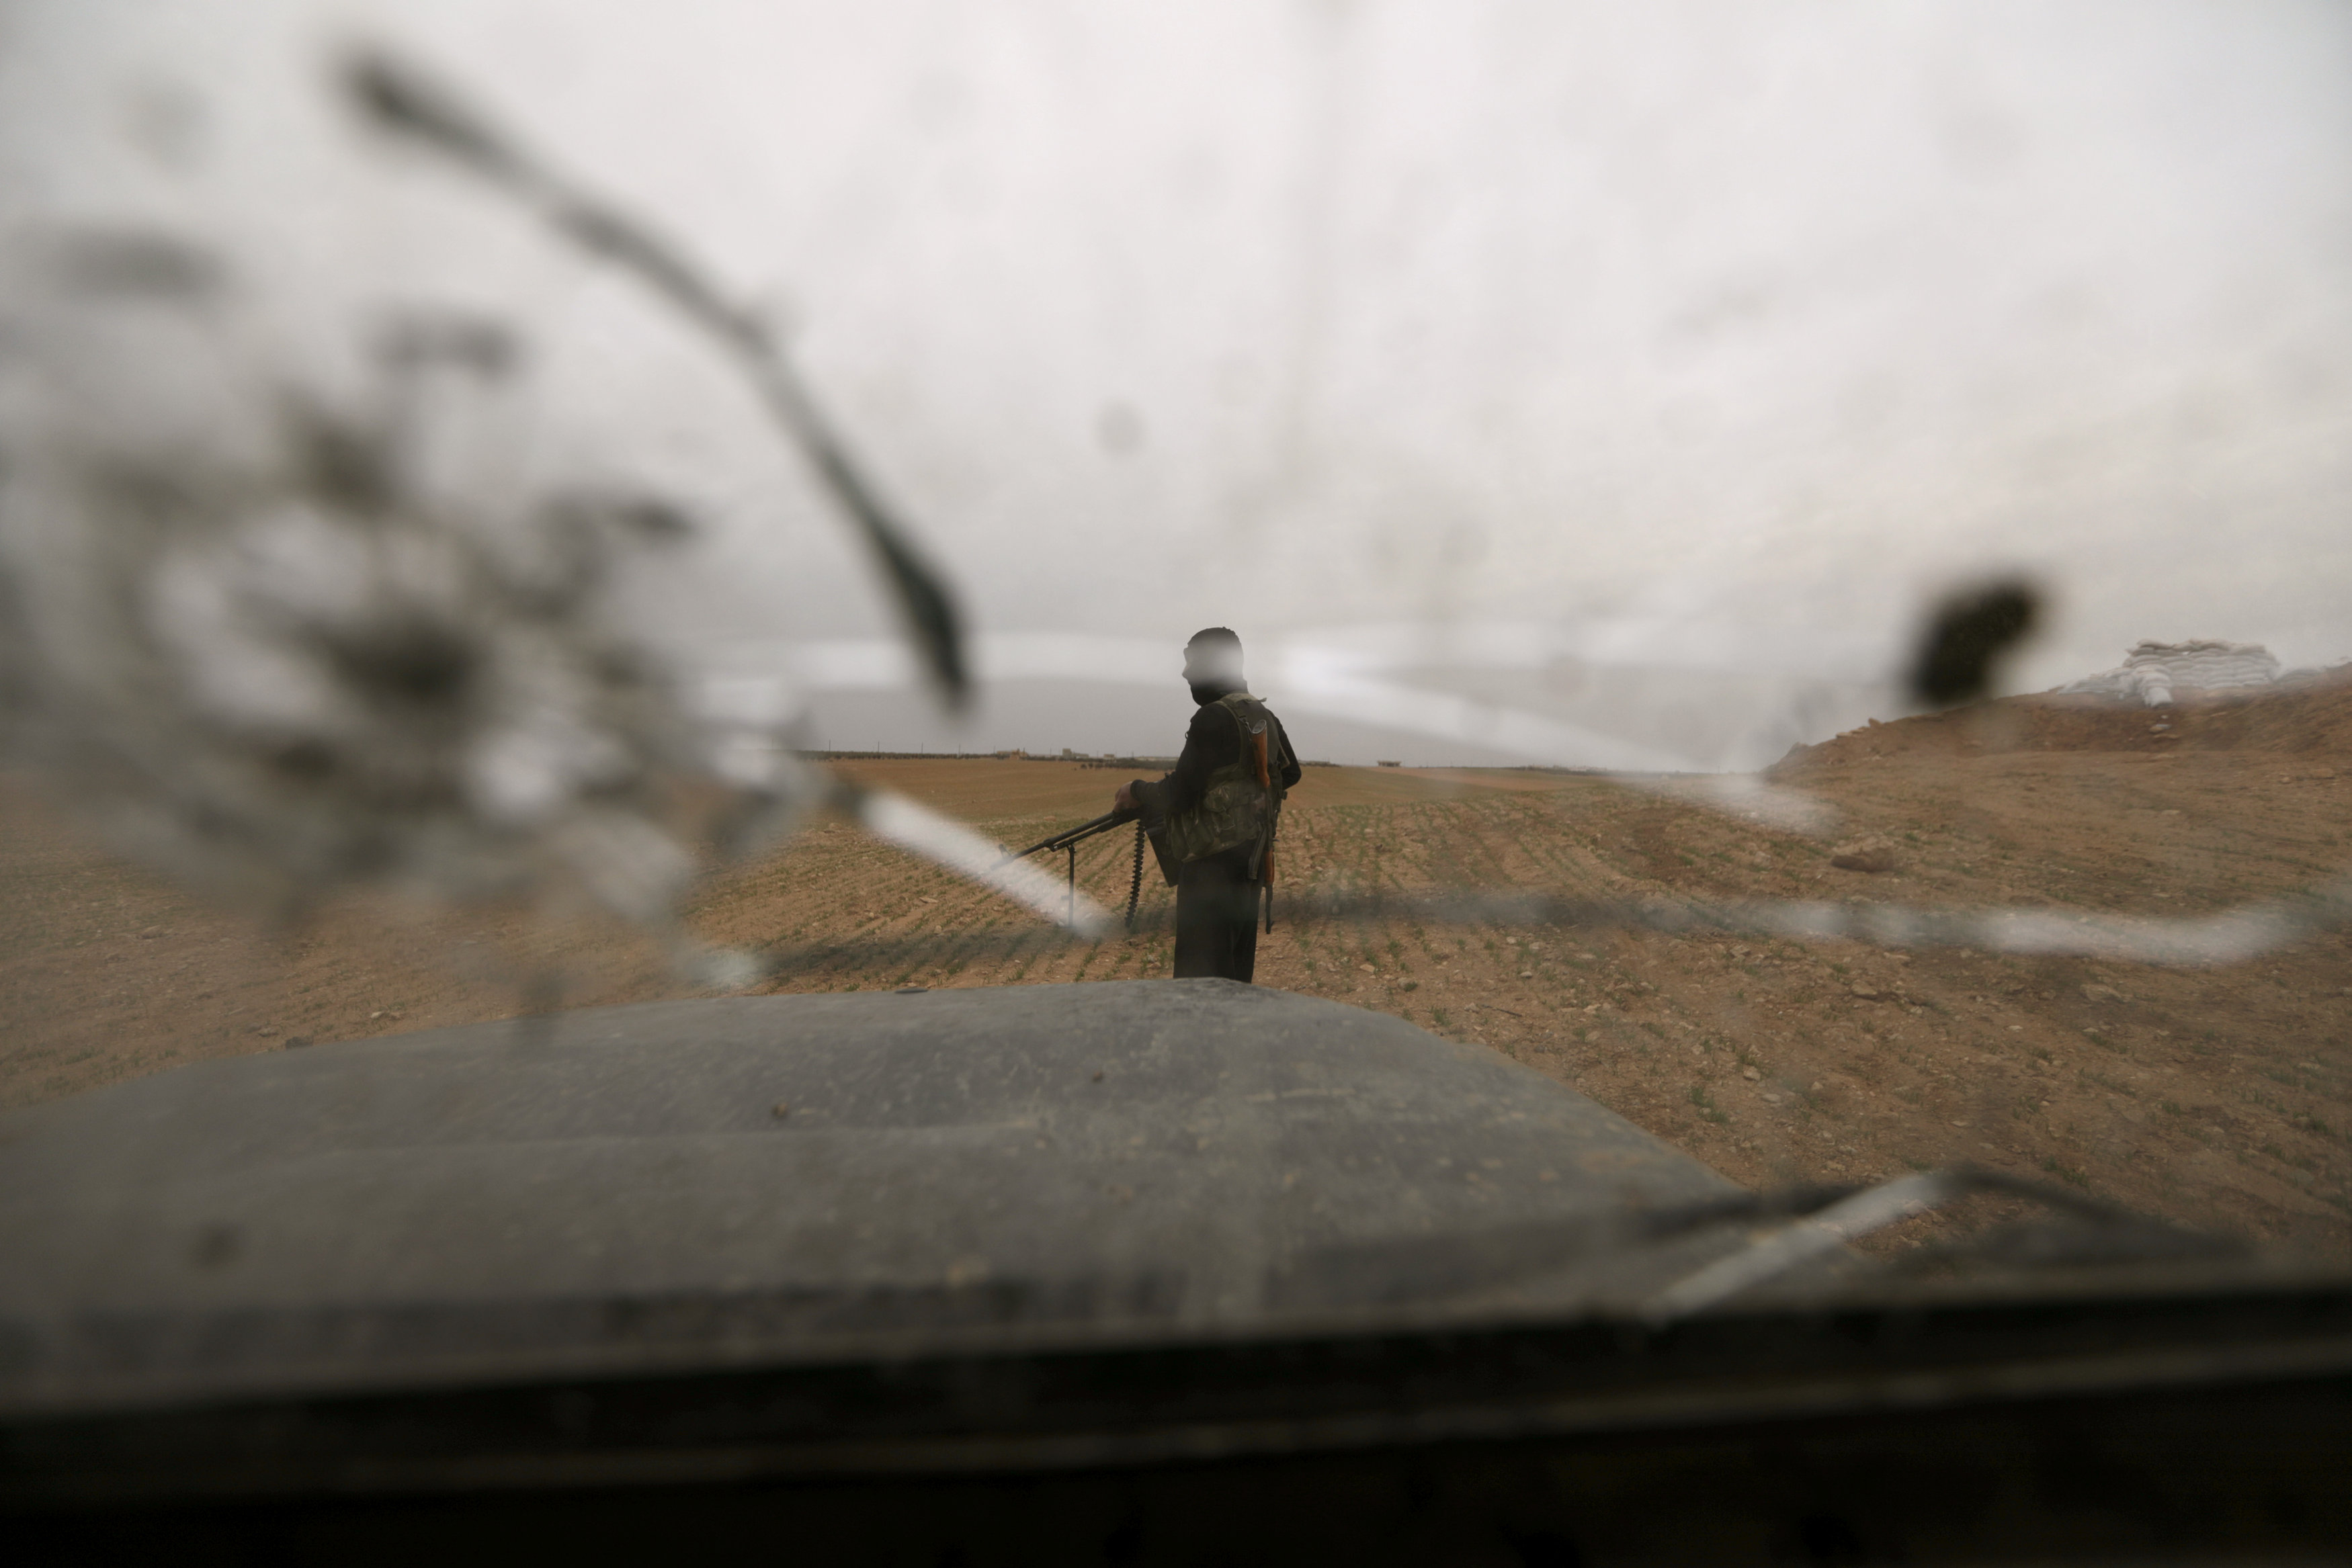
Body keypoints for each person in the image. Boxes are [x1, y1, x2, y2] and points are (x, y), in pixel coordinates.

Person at [1114, 628, 1302, 982]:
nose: (1186, 674)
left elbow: (1179, 794)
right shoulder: (1263, 715)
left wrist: (1135, 790)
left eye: (1193, 664)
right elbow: (1290, 774)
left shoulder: (1214, 717)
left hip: (1211, 874)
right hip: (1250, 866)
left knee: (1198, 985)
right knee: (1234, 979)